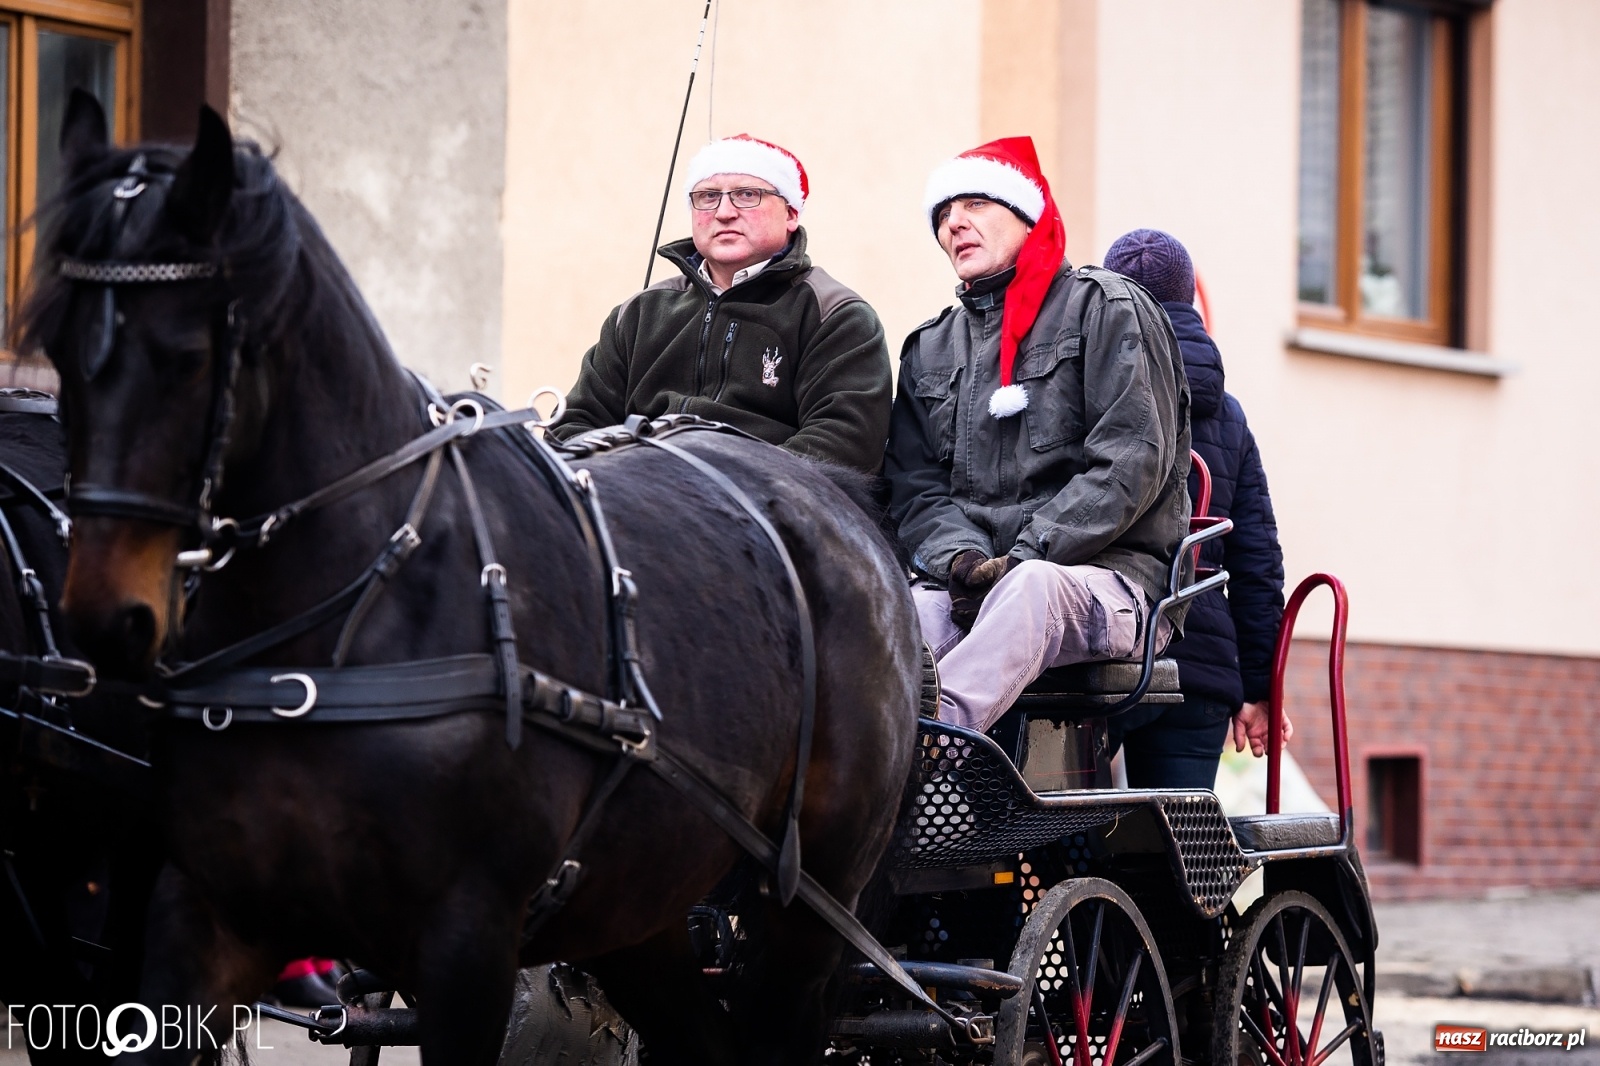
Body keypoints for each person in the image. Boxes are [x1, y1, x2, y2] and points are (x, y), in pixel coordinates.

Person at [886, 137, 1192, 735]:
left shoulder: (1107, 307)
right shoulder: (929, 346)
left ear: (1026, 214)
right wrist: (965, 562)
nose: (955, 224)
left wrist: (1023, 556)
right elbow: (914, 489)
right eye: (943, 215)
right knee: (903, 609)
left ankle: (934, 750)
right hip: (973, 585)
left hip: (1110, 580)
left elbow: (1132, 460)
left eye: (975, 203)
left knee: (1031, 591)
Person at [550, 134, 892, 474]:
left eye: (747, 195)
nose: (724, 212)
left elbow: (844, 444)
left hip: (764, 511)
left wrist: (721, 486)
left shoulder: (835, 314)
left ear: (790, 214)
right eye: (708, 197)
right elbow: (574, 424)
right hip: (637, 497)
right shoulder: (639, 314)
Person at [1101, 228, 1291, 788]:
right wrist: (1259, 689)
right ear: (1189, 299)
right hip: (1202, 667)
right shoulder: (1228, 416)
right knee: (1177, 852)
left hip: (1106, 652)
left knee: (1069, 836)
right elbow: (1258, 562)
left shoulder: (1088, 391)